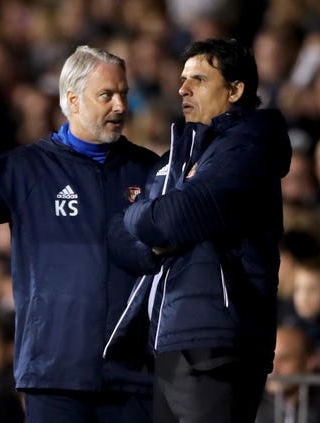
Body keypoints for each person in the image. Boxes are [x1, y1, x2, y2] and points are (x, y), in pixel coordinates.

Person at [0, 45, 159, 422]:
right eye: (106, 95)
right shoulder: (27, 169)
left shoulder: (147, 170)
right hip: (54, 374)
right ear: (73, 101)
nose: (120, 106)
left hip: (132, 375)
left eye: (123, 93)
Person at [105, 38, 292, 422]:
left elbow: (170, 218)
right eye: (182, 79)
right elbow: (118, 237)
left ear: (235, 90)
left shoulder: (248, 146)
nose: (182, 89)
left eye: (199, 80)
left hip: (218, 339)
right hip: (173, 336)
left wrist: (144, 218)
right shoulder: (183, 154)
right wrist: (153, 242)